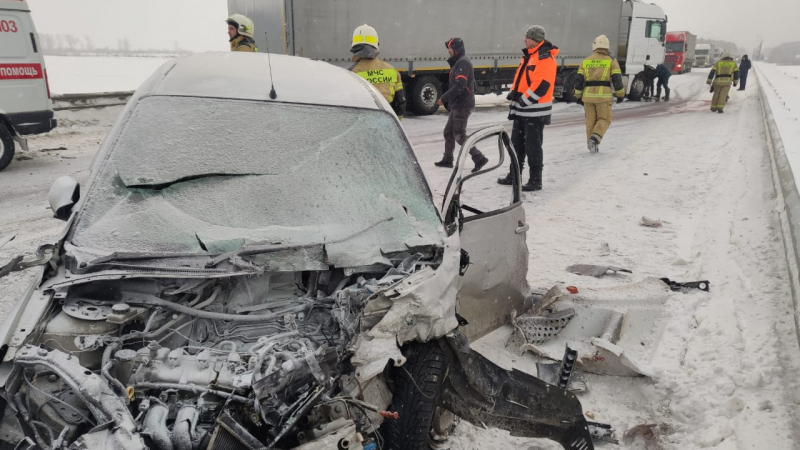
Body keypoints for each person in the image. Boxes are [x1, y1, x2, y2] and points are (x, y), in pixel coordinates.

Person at [497, 25, 558, 191]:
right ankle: (514, 175)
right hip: (523, 110)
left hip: (535, 112)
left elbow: (542, 85)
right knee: (516, 145)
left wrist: (523, 100)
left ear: (535, 39)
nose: (524, 40)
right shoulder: (531, 56)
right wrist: (514, 93)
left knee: (533, 147)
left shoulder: (545, 58)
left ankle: (535, 180)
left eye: (528, 37)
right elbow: (522, 80)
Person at [434, 38, 489, 172]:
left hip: (463, 104)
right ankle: (447, 159)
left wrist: (444, 98)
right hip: (458, 103)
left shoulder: (463, 62)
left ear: (456, 50)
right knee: (448, 132)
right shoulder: (459, 61)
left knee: (459, 135)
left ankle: (479, 157)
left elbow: (460, 85)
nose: (448, 51)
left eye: (450, 48)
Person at [573, 35, 624, 154]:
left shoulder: (586, 61)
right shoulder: (611, 61)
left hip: (588, 97)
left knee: (590, 122)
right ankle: (594, 140)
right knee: (604, 119)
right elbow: (617, 80)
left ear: (594, 46)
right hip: (603, 97)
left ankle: (591, 146)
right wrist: (620, 95)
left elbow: (578, 81)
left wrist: (578, 96)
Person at [348, 24, 406, 119]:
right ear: (376, 44)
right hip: (385, 121)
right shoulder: (392, 70)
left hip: (362, 122)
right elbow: (400, 104)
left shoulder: (350, 73)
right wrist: (396, 122)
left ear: (354, 45)